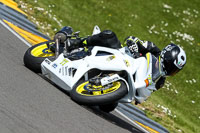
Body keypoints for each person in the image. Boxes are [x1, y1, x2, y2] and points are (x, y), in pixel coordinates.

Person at [53, 26, 187, 101]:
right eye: (171, 67)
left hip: (124, 80)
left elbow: (143, 96)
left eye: (174, 71)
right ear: (166, 57)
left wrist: (141, 96)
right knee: (109, 35)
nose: (171, 71)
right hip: (119, 54)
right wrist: (134, 44)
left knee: (108, 108)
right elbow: (133, 39)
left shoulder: (160, 81)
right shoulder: (153, 49)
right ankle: (75, 43)